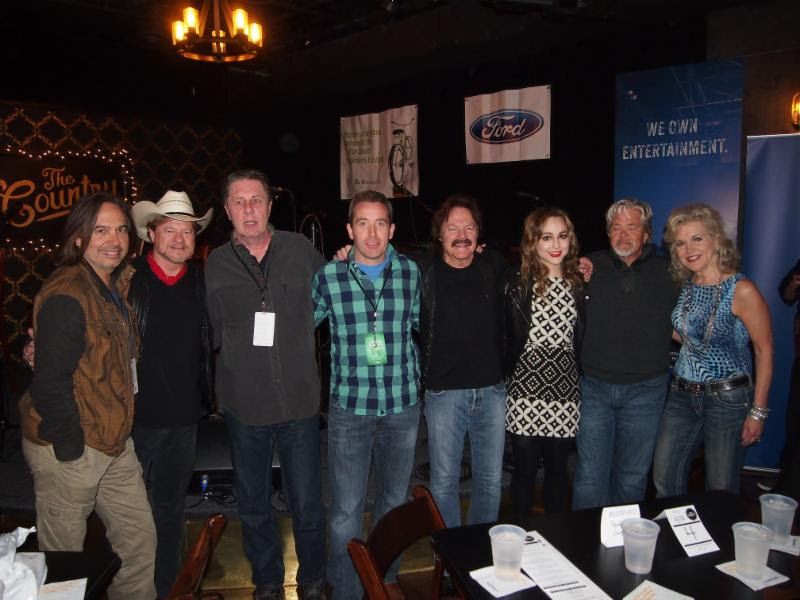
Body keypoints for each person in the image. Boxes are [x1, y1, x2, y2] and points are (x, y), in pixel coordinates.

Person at [19, 192, 156, 600]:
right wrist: (70, 448)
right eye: (100, 230)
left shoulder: (109, 284)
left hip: (113, 441)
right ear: (78, 238)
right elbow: (50, 382)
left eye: (119, 230)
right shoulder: (68, 294)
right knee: (64, 566)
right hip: (73, 445)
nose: (113, 239)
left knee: (138, 542)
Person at [205, 169, 327, 600]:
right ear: (227, 211)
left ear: (270, 205)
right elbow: (208, 331)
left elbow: (334, 299)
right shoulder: (215, 264)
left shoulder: (301, 250)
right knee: (253, 505)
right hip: (245, 405)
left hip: (298, 403)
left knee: (307, 503)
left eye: (256, 200)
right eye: (239, 202)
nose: (249, 209)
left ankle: (313, 578)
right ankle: (268, 581)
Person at [312, 190, 421, 600]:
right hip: (350, 408)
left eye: (380, 223)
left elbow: (425, 327)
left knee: (394, 502)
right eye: (363, 223)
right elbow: (296, 327)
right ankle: (346, 589)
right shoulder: (328, 277)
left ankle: (386, 578)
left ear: (392, 229)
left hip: (402, 404)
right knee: (345, 510)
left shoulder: (412, 274)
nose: (372, 233)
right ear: (349, 230)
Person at [653, 203, 773, 496]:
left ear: (715, 239)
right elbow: (692, 338)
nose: (688, 248)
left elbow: (765, 351)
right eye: (680, 243)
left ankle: (718, 541)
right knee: (664, 480)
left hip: (727, 400)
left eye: (697, 238)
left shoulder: (741, 289)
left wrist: (757, 413)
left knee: (719, 490)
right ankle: (676, 540)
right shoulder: (687, 285)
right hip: (681, 396)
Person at [129, 190, 214, 598]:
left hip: (184, 420)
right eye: (170, 230)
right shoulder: (124, 281)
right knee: (127, 515)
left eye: (187, 231)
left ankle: (168, 589)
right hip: (134, 421)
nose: (179, 238)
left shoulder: (201, 283)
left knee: (170, 510)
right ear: (151, 232)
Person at [571, 198, 678, 510]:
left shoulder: (670, 272)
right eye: (616, 227)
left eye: (632, 227)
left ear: (647, 234)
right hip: (593, 388)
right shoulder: (587, 267)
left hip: (646, 391)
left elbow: (688, 323)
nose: (623, 234)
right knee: (590, 475)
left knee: (632, 478)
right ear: (607, 233)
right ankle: (585, 544)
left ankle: (621, 548)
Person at [418, 194, 507, 529]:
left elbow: (537, 270)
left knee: (490, 481)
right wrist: (346, 252)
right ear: (439, 233)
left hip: (492, 392)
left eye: (468, 227)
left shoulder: (493, 265)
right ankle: (452, 558)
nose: (461, 234)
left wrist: (581, 264)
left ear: (478, 234)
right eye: (452, 227)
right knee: (443, 482)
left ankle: (480, 553)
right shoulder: (422, 271)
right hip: (444, 394)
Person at [505, 207, 585, 516]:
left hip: (565, 389)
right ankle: (521, 540)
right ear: (532, 241)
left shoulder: (579, 284)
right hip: (525, 389)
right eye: (546, 237)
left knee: (557, 472)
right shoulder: (517, 282)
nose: (555, 245)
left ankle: (557, 538)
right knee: (524, 473)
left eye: (562, 236)